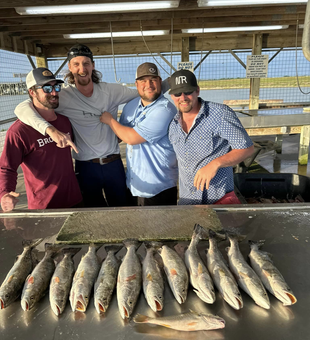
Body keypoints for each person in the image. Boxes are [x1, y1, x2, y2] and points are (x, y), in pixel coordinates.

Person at [14, 44, 139, 207]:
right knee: (92, 217)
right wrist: (50, 130)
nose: (82, 69)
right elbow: (21, 108)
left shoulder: (111, 91)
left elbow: (145, 92)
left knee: (124, 211)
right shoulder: (63, 95)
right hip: (86, 167)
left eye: (86, 63)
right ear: (70, 67)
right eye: (76, 64)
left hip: (113, 164)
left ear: (93, 66)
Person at [0, 67, 82, 211]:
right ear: (32, 92)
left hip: (74, 199)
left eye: (56, 86)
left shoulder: (65, 121)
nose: (54, 92)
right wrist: (5, 193)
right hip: (44, 206)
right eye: (47, 88)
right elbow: (7, 167)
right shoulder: (19, 131)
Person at [168, 69, 254, 205]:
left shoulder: (219, 114)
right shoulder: (173, 125)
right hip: (187, 201)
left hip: (218, 201)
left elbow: (247, 148)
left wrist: (215, 164)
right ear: (172, 96)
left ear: (197, 90)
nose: (183, 98)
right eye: (178, 93)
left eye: (188, 92)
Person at [100, 62, 178, 206]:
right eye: (143, 80)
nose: (148, 84)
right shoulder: (131, 105)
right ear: (136, 84)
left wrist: (110, 120)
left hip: (159, 189)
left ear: (160, 82)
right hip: (133, 187)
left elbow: (131, 138)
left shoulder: (165, 110)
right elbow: (120, 134)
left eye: (153, 80)